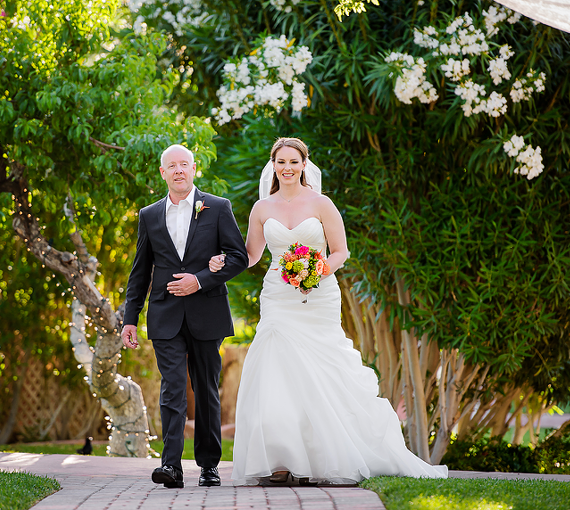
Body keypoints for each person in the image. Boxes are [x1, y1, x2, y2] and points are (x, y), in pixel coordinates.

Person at [209, 137, 447, 485]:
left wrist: (317, 269)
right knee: (276, 372)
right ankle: (280, 461)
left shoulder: (321, 204)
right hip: (277, 297)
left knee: (321, 370)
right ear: (273, 166)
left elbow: (341, 252)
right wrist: (224, 260)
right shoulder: (263, 208)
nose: (287, 168)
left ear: (304, 164)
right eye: (281, 162)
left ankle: (319, 458)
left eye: (293, 161)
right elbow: (252, 254)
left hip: (317, 297)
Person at [121, 144, 249, 488]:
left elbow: (238, 257)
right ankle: (171, 467)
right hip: (165, 314)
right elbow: (140, 271)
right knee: (173, 387)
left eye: (184, 164)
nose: (178, 170)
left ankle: (209, 466)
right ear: (162, 173)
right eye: (171, 166)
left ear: (194, 169)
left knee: (206, 388)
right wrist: (130, 318)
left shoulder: (218, 208)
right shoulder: (148, 215)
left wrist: (201, 280)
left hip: (207, 310)